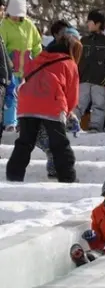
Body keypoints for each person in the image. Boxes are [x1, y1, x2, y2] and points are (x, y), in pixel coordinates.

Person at [6, 34, 80, 183]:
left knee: (24, 142)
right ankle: (67, 177)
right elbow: (72, 92)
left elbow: (27, 73)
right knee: (60, 144)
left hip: (27, 103)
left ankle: (13, 176)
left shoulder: (39, 58)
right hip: (52, 103)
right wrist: (68, 111)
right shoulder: (69, 63)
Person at [0, 0, 43, 131]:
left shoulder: (29, 25)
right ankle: (10, 122)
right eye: (12, 14)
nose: (14, 17)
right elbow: (3, 47)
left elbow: (36, 44)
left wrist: (39, 61)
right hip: (11, 67)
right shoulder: (4, 25)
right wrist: (7, 63)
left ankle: (24, 122)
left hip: (27, 68)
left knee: (26, 95)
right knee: (11, 94)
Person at [77, 9, 105, 132]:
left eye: (90, 21)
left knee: (99, 104)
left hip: (100, 79)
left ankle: (96, 125)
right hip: (84, 77)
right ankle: (72, 123)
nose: (88, 24)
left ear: (98, 24)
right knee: (79, 103)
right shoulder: (84, 41)